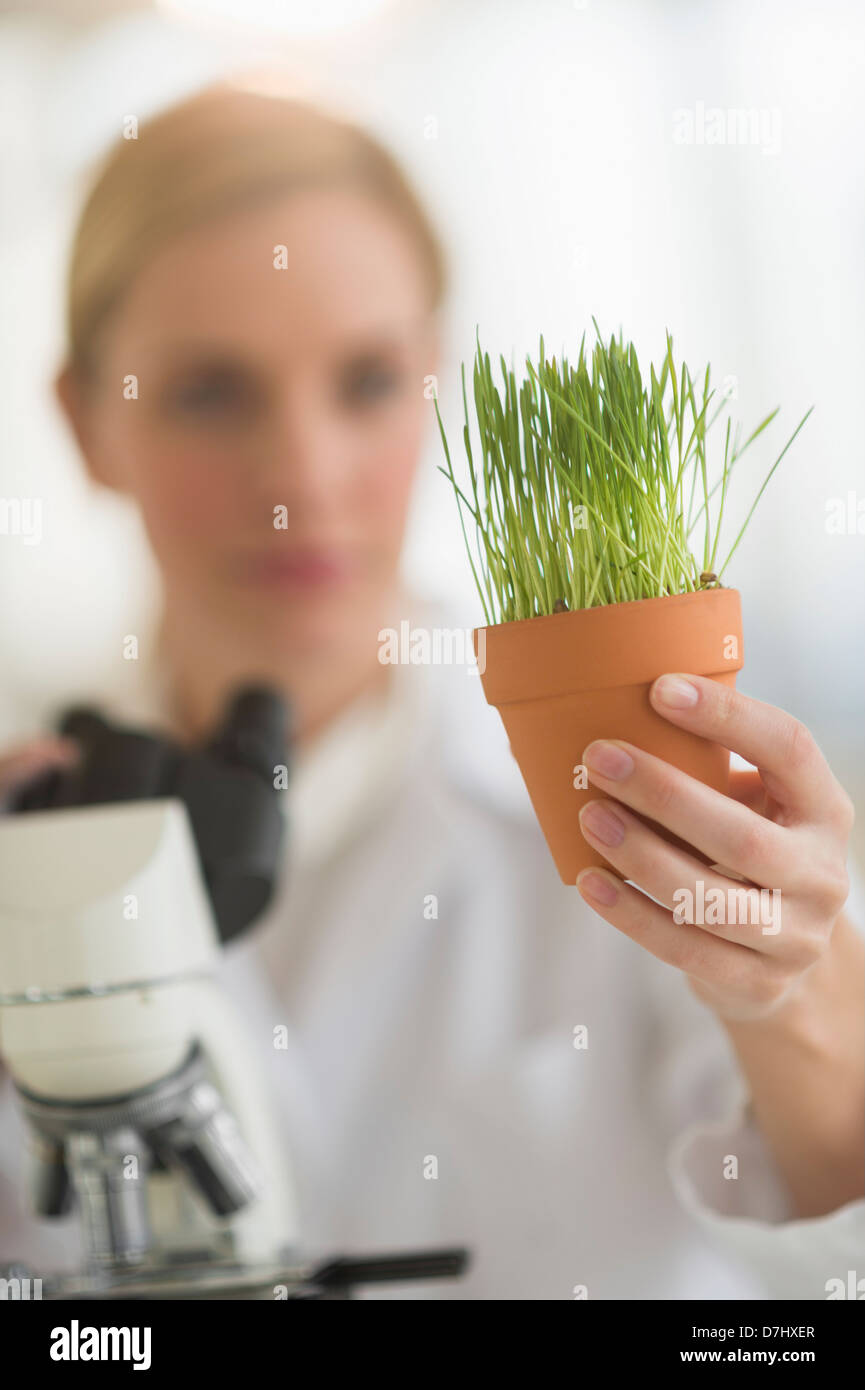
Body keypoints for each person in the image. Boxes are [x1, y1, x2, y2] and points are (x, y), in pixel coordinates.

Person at [0, 81, 862, 1300]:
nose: (301, 473)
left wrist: (800, 991)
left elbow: (840, 1263)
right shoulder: (24, 830)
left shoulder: (637, 783)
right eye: (210, 392)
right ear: (84, 424)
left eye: (363, 381)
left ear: (436, 389)